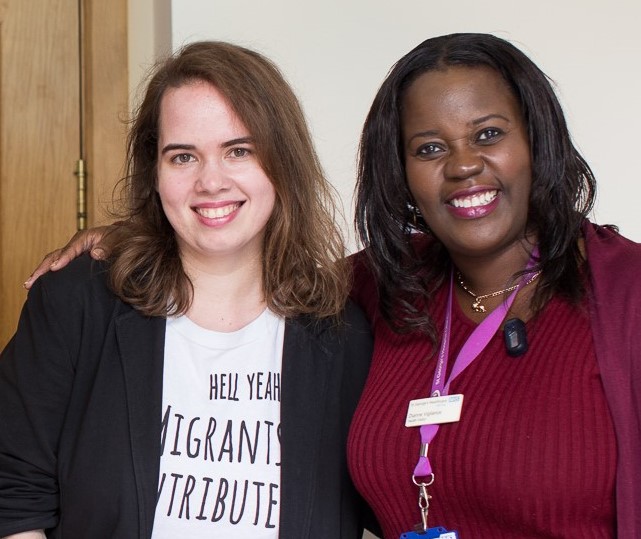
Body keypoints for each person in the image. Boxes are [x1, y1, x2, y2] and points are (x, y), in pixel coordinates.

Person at [22, 32, 641, 538]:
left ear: (537, 139)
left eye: (488, 134)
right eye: (429, 148)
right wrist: (125, 243)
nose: (462, 165)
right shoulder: (376, 289)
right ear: (401, 171)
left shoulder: (626, 297)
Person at [0, 41, 375, 539]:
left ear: (282, 163)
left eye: (239, 151)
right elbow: (13, 492)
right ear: (154, 174)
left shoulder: (345, 335)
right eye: (182, 157)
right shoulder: (77, 302)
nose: (210, 182)